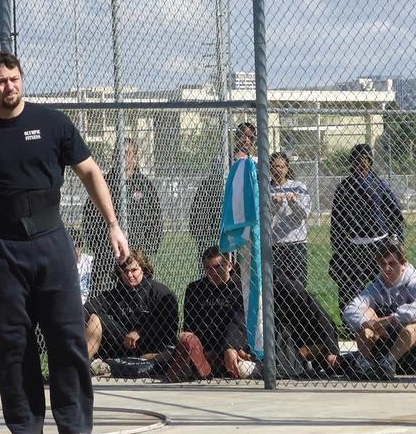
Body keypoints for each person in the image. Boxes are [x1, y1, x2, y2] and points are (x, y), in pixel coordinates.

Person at [0, 50, 129, 434]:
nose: (9, 87)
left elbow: (90, 171)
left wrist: (113, 224)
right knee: (13, 340)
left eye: (14, 79)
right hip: (3, 245)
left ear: (22, 79)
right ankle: (24, 428)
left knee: (67, 333)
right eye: (0, 82)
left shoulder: (53, 123)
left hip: (52, 240)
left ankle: (75, 428)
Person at [329, 143, 404, 327]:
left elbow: (395, 212)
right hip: (353, 244)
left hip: (378, 243)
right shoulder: (345, 186)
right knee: (350, 286)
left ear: (370, 161)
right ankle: (352, 324)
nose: (360, 163)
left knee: (383, 284)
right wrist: (338, 245)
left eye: (364, 160)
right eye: (356, 160)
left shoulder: (379, 184)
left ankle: (384, 321)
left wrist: (397, 239)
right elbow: (337, 218)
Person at [342, 242, 416, 378]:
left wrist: (391, 319)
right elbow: (350, 309)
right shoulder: (377, 285)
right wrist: (367, 323)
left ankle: (390, 361)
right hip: (384, 349)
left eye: (392, 263)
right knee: (365, 311)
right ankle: (365, 362)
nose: (386, 268)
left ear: (404, 264)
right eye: (383, 264)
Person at [82, 139, 162, 297]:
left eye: (127, 153)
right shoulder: (103, 184)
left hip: (137, 255)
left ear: (135, 157)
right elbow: (89, 220)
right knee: (106, 299)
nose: (123, 157)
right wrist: (100, 248)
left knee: (140, 298)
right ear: (113, 158)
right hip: (108, 256)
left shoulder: (145, 185)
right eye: (119, 153)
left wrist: (146, 250)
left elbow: (156, 221)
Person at [84, 249, 179, 376]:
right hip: (123, 343)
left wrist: (141, 331)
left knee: (168, 354)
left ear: (143, 269)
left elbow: (170, 326)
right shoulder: (116, 294)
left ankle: (117, 364)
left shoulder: (159, 292)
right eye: (125, 271)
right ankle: (80, 364)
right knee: (95, 318)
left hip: (152, 344)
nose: (129, 275)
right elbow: (87, 308)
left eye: (134, 270)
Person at [175, 246, 254, 380]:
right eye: (208, 268)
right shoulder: (195, 289)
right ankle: (199, 367)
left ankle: (205, 368)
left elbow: (241, 324)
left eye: (217, 267)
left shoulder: (241, 288)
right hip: (205, 344)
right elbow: (191, 324)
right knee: (186, 337)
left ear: (229, 266)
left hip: (233, 343)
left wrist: (232, 346)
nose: (213, 272)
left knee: (240, 358)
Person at [189, 122, 257, 257]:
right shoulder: (224, 159)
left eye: (251, 137)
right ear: (236, 137)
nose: (247, 140)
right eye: (243, 136)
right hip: (223, 210)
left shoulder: (253, 162)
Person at [268, 152, 312, 287]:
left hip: (296, 243)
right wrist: (274, 206)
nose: (277, 170)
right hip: (274, 244)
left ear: (287, 168)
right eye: (274, 166)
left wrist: (293, 203)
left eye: (281, 166)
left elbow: (305, 214)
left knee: (297, 286)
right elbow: (262, 217)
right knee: (275, 286)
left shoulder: (298, 186)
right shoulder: (265, 189)